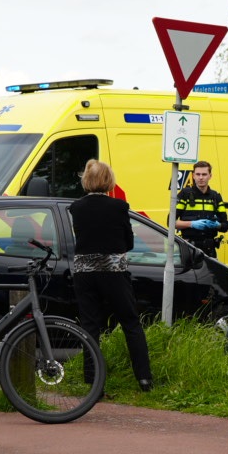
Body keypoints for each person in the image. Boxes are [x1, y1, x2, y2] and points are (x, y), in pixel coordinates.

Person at [68, 159, 153, 392]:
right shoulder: (119, 207)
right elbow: (129, 242)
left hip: (84, 273)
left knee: (90, 326)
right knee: (130, 322)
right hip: (114, 272)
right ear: (109, 180)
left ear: (86, 180)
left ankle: (93, 382)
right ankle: (144, 378)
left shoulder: (76, 208)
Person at [175, 160, 228, 257]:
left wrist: (216, 225)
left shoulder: (216, 197)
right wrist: (191, 224)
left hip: (210, 250)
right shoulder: (185, 194)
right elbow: (170, 223)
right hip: (189, 248)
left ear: (210, 176)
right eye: (198, 174)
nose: (201, 178)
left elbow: (225, 226)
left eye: (204, 174)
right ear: (193, 175)